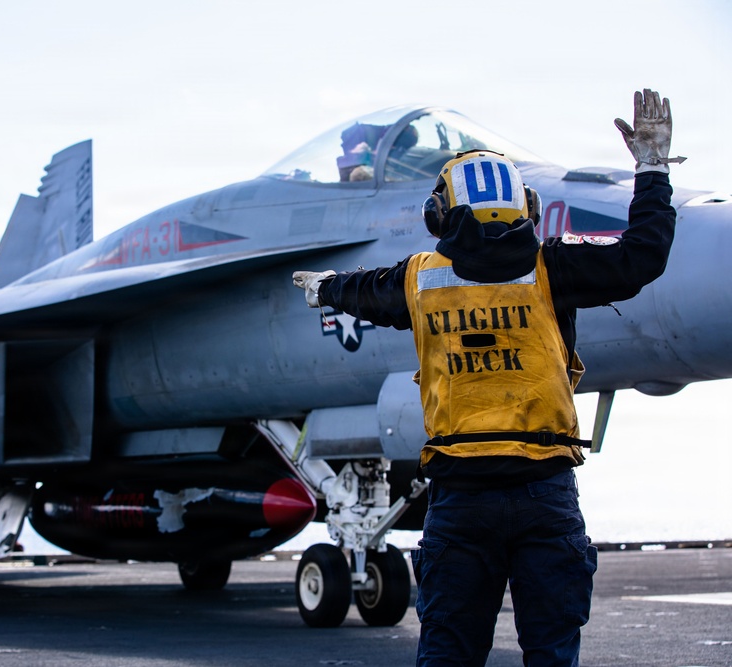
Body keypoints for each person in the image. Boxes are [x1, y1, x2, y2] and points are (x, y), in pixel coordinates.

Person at [292, 89, 681, 666]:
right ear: (522, 205)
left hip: (461, 496)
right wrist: (650, 169)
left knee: (450, 652)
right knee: (550, 652)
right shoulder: (552, 267)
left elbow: (364, 290)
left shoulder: (419, 280)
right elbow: (641, 256)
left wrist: (326, 287)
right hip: (544, 491)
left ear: (439, 214)